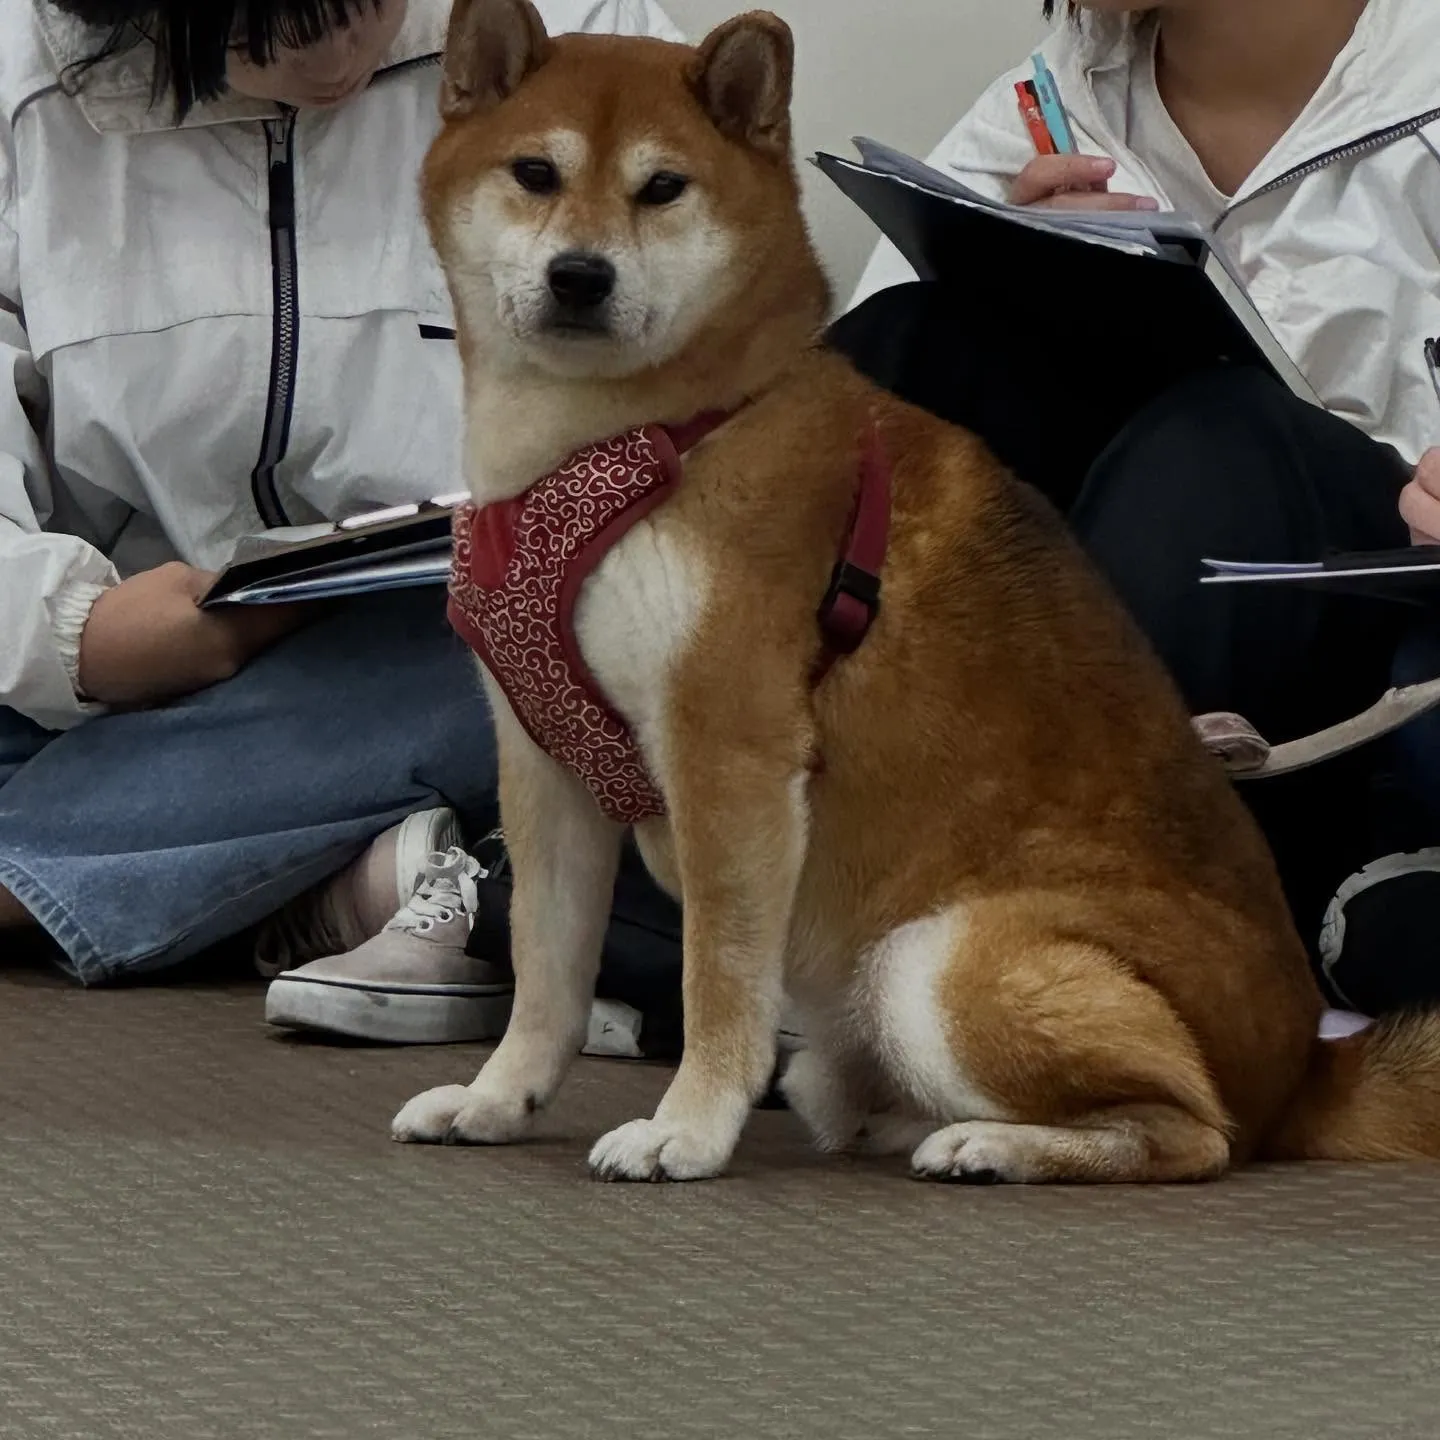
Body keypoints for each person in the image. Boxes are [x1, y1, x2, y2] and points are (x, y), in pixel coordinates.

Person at [0, 0, 681, 1030]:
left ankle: (45, 873)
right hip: (115, 652)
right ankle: (357, 879)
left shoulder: (588, 33)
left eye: (362, 1)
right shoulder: (21, 82)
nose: (332, 60)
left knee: (547, 637)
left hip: (438, 633)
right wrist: (68, 636)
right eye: (255, 32)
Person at [829, 0, 1440, 1010]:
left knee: (1219, 438)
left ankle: (1055, 945)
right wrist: (1030, 281)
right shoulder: (1059, 90)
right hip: (1104, 634)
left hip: (1362, 635)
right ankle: (783, 877)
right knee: (910, 345)